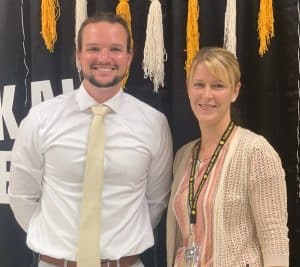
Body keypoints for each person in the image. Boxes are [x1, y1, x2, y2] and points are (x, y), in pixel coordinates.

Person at [9, 12, 173, 267]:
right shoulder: (41, 119)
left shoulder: (154, 124)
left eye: (116, 49)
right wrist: (55, 242)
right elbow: (22, 196)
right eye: (94, 49)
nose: (104, 58)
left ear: (130, 57)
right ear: (78, 55)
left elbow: (154, 201)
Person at [166, 47, 289, 267]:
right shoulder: (183, 156)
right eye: (199, 84)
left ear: (235, 91)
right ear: (188, 88)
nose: (207, 94)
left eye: (218, 85)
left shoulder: (256, 152)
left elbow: (275, 237)